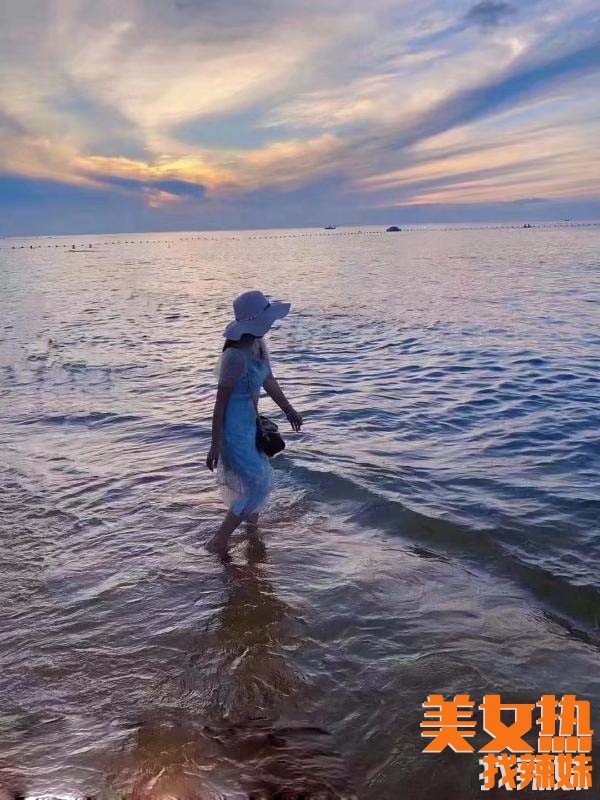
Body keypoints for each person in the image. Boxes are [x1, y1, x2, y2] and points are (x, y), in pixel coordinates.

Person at [206, 290, 303, 557]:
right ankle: (218, 541)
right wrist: (215, 445)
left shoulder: (259, 346)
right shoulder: (234, 357)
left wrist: (288, 409)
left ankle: (252, 531)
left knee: (259, 478)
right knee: (258, 483)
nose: (271, 324)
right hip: (233, 432)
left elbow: (268, 379)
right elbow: (220, 405)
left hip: (250, 427)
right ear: (257, 322)